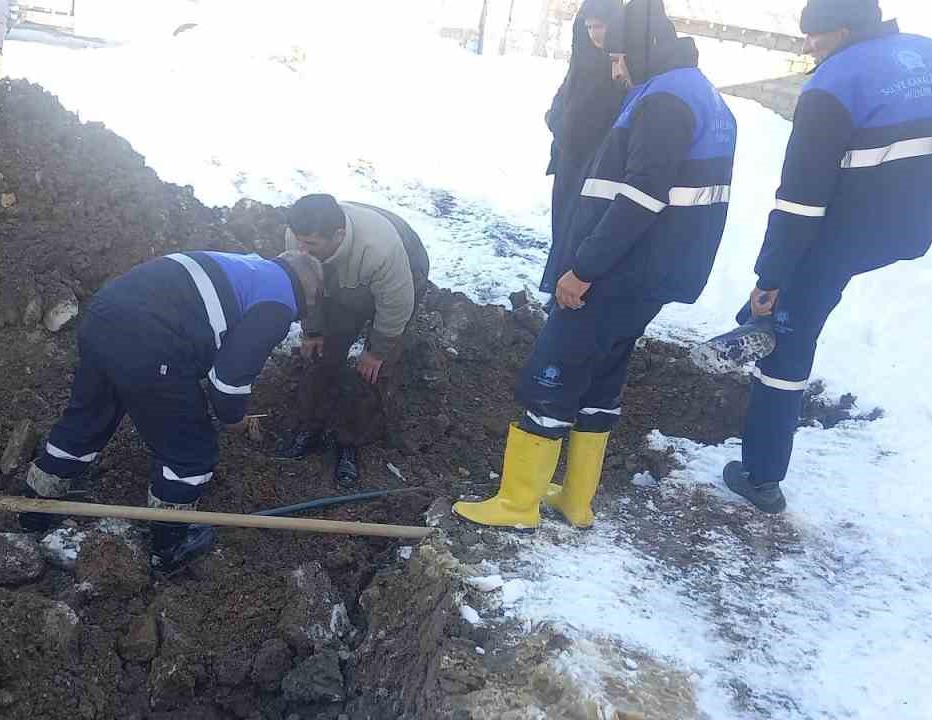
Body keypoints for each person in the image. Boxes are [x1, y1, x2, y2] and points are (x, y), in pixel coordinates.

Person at [455, 0, 738, 530]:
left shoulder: (664, 101)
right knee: (603, 375)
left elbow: (640, 197)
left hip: (622, 269)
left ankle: (517, 504)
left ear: (642, 51)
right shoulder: (700, 94)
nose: (614, 70)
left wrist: (584, 269)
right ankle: (575, 497)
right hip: (655, 272)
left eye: (618, 58)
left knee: (553, 369)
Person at [710, 0, 932, 513]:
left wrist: (769, 275)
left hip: (838, 233)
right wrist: (915, 191)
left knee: (789, 334)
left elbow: (800, 202)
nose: (808, 47)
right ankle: (758, 319)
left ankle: (761, 477)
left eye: (815, 36)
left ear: (844, 31)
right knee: (798, 297)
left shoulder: (832, 85)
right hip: (907, 231)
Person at [26, 250, 324, 574]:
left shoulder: (248, 266)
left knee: (87, 419)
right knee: (190, 451)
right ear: (310, 293)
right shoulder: (280, 302)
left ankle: (35, 508)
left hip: (104, 314)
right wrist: (235, 419)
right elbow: (227, 383)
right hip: (150, 340)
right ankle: (169, 546)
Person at [274, 195, 430, 487]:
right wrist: (313, 331)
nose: (301, 249)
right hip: (344, 276)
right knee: (322, 354)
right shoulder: (300, 238)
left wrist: (376, 351)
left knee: (372, 371)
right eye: (299, 241)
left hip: (402, 272)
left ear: (338, 235)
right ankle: (311, 426)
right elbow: (306, 286)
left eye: (310, 244)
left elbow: (396, 306)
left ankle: (349, 440)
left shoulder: (380, 250)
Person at [543, 0, 626, 298]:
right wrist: (557, 122)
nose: (594, 33)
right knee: (562, 230)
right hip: (569, 160)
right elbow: (560, 102)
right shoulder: (581, 60)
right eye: (589, 26)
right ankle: (558, 291)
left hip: (596, 168)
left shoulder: (620, 66)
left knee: (581, 233)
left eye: (600, 25)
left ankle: (573, 293)